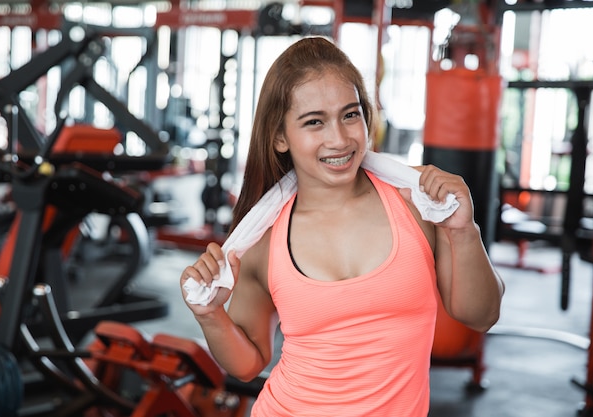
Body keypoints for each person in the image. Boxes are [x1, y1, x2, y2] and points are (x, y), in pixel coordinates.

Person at [180, 36, 504, 417]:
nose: (339, 139)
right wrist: (209, 315)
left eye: (350, 115)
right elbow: (248, 364)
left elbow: (481, 315)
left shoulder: (416, 204)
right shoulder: (264, 239)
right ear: (280, 137)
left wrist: (464, 231)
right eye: (314, 122)